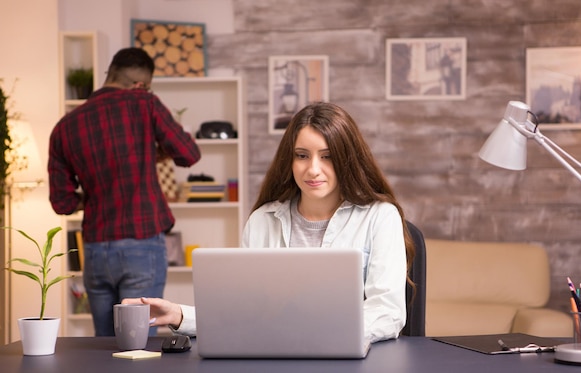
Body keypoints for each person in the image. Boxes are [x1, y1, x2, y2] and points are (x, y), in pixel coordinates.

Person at [124, 102, 416, 344]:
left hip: (348, 359)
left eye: (328, 157)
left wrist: (323, 335)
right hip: (274, 356)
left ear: (347, 159)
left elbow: (387, 310)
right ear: (289, 160)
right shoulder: (262, 221)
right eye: (302, 156)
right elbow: (242, 313)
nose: (313, 169)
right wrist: (178, 315)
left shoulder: (380, 216)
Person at [48, 47, 201, 336]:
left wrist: (89, 196)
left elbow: (62, 201)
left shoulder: (65, 126)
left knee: (104, 346)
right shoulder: (144, 104)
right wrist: (156, 153)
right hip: (141, 243)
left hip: (94, 248)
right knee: (138, 343)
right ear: (141, 84)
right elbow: (188, 153)